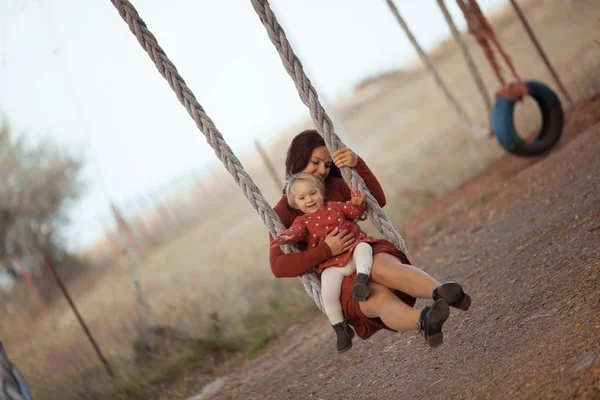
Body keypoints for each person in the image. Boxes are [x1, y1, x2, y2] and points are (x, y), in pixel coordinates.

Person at [269, 130, 471, 350]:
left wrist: (358, 164)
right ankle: (424, 321)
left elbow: (377, 201)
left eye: (327, 165)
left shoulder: (334, 185)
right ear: (298, 161)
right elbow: (278, 266)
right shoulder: (283, 211)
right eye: (315, 162)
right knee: (376, 298)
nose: (322, 171)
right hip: (335, 275)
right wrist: (326, 250)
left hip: (361, 249)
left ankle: (443, 292)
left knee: (383, 267)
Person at [271, 173, 376, 353]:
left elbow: (353, 212)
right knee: (328, 294)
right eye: (302, 197)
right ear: (295, 204)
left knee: (365, 248)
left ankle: (362, 279)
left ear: (321, 193)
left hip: (353, 248)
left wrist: (357, 204)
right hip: (331, 263)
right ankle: (340, 328)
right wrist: (286, 237)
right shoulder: (301, 221)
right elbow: (296, 232)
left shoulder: (334, 206)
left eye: (313, 193)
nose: (310, 199)